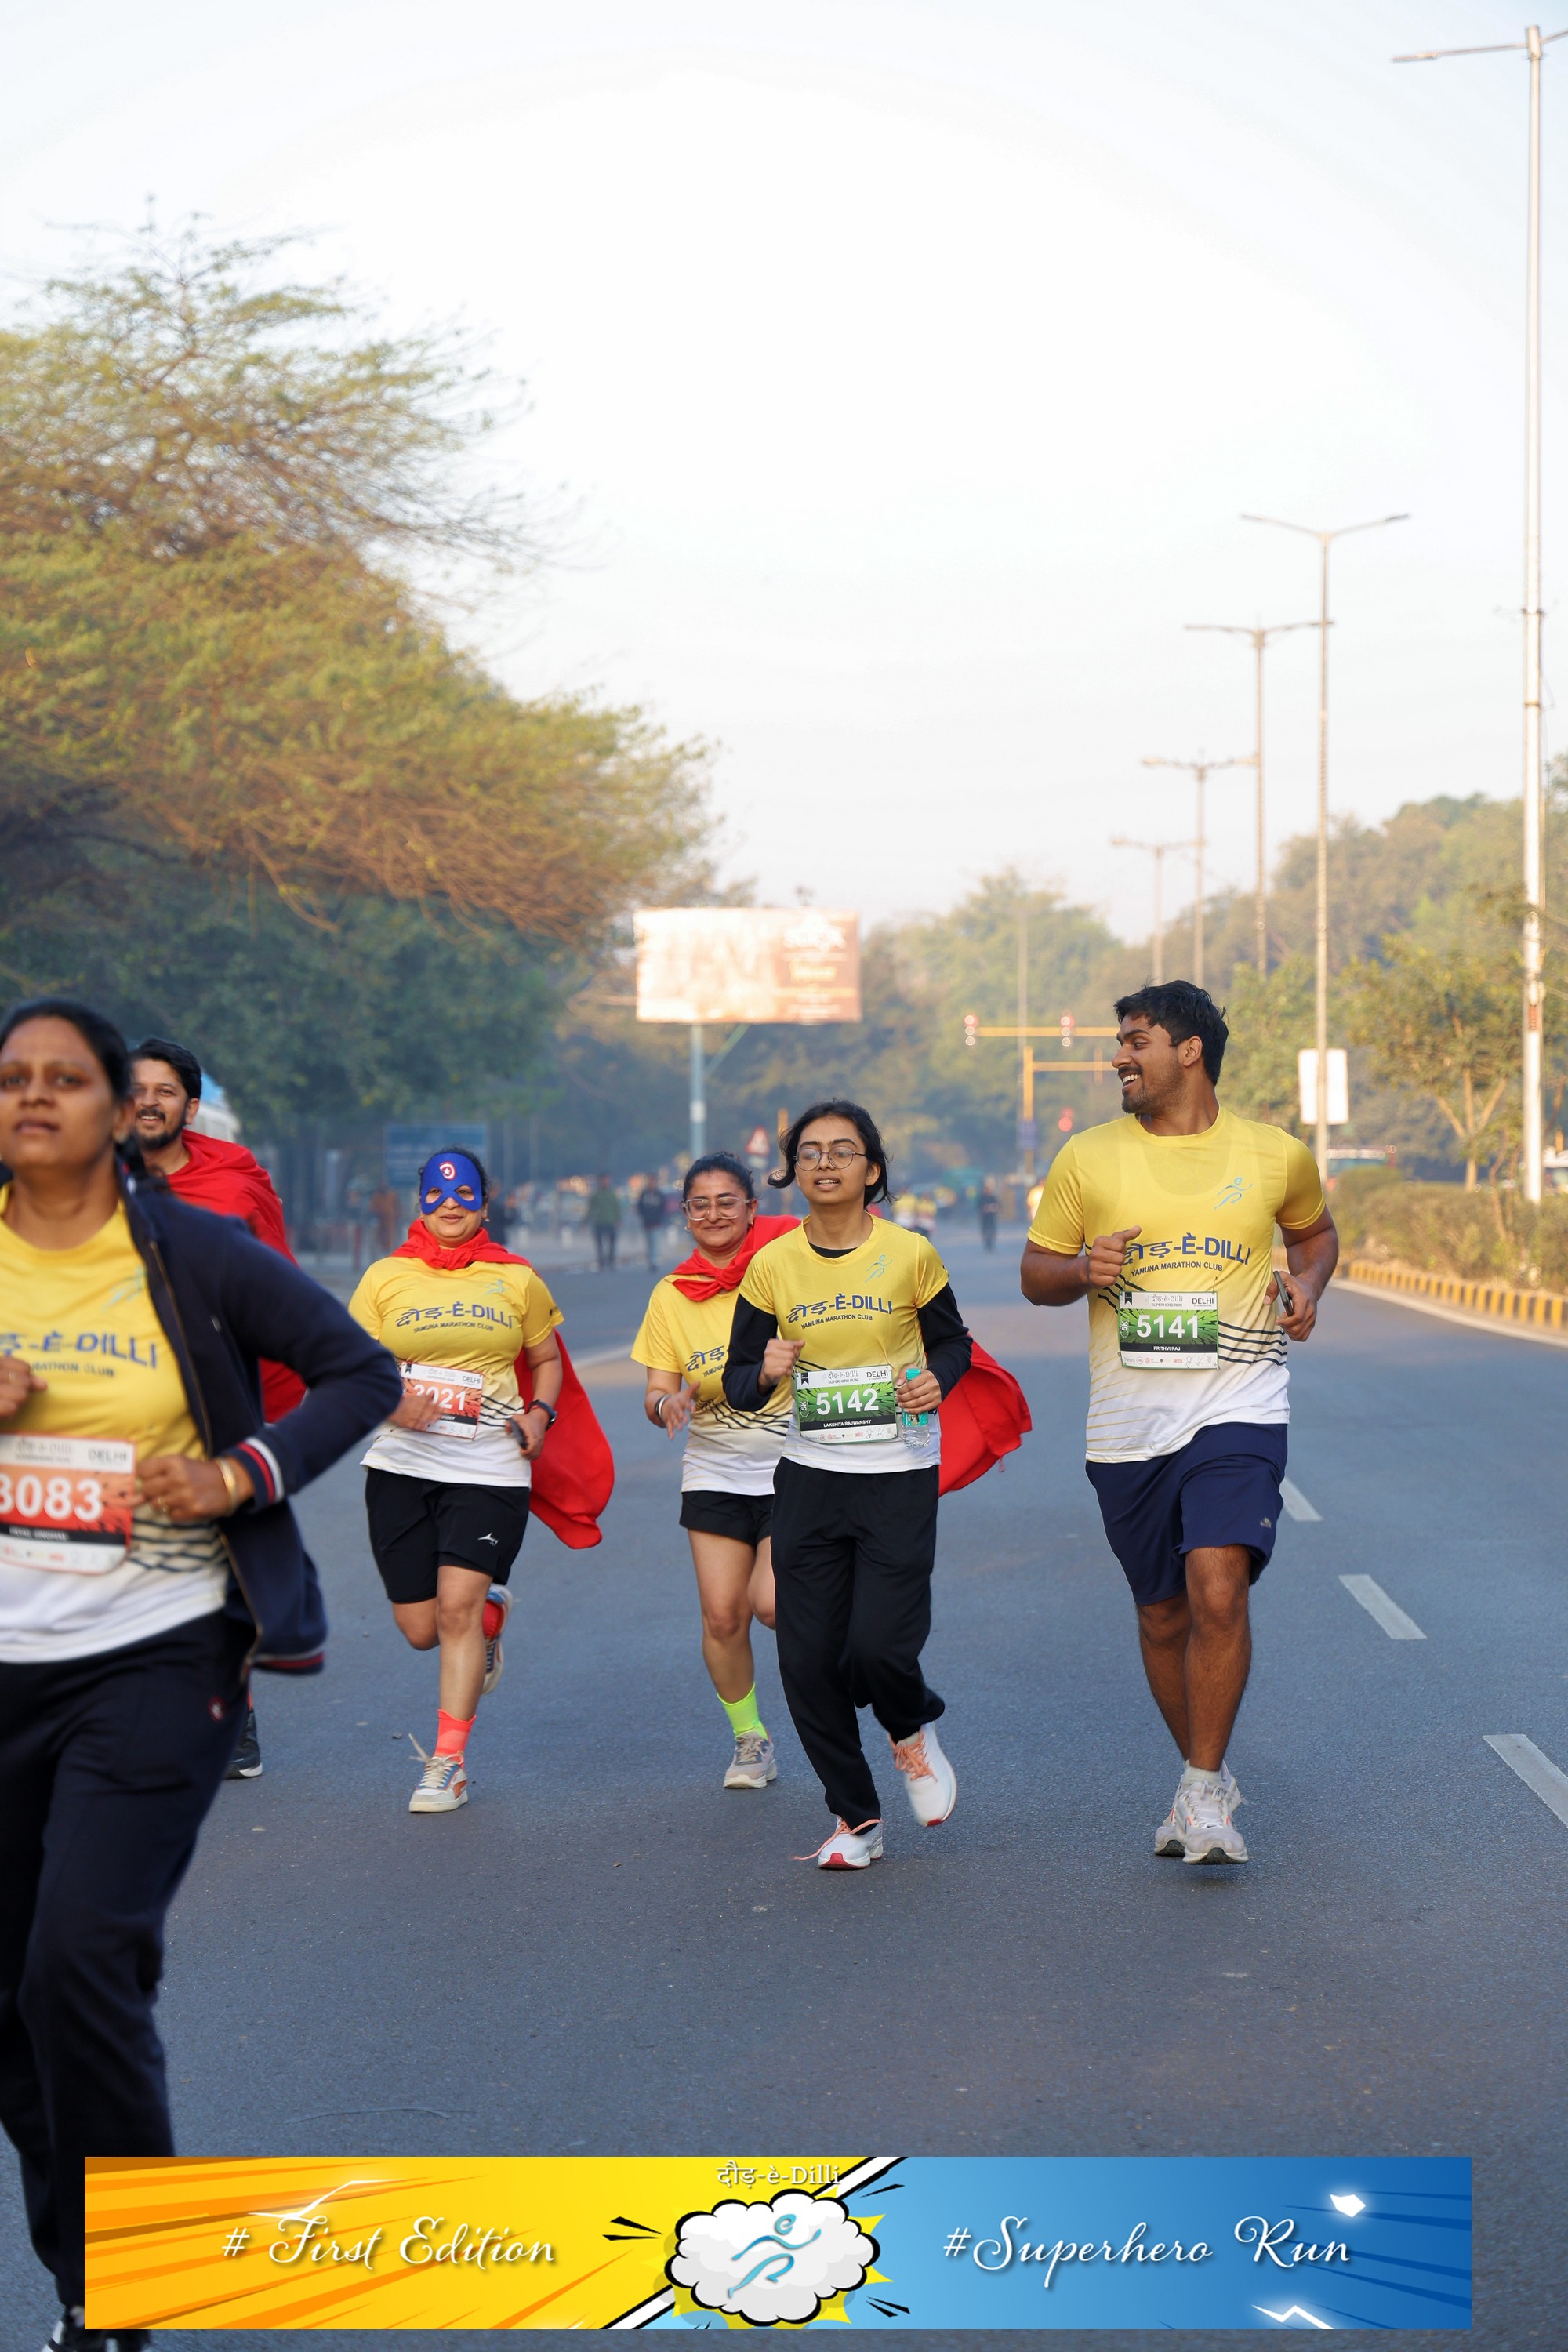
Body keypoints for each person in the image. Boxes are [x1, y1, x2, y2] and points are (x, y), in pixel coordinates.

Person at [0, 996, 400, 2352]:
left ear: (122, 1109)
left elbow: (358, 1372)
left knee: (79, 1962)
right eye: (12, 1077)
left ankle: (133, 2291)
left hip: (154, 1648)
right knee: (12, 2002)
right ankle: (92, 2275)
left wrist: (239, 1474)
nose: (34, 1096)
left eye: (65, 1078)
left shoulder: (194, 1250)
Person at [1020, 982, 1338, 1866]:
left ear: (1188, 1050)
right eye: (1120, 1043)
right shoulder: (1087, 1158)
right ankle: (1205, 1774)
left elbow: (1314, 1235)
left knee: (1217, 1585)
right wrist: (1080, 1270)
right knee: (1162, 1615)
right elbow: (1036, 1273)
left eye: (1135, 1041)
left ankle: (1200, 1792)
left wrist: (1306, 1286)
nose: (1117, 1057)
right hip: (1127, 1422)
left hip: (1239, 1402)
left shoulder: (1274, 1154)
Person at [722, 1100, 973, 1870]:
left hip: (897, 1474)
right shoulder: (771, 1265)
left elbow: (952, 1344)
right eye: (808, 1152)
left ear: (872, 1170)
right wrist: (764, 1371)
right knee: (805, 1658)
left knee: (877, 1647)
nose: (823, 1163)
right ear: (791, 1170)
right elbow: (738, 1382)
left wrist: (936, 1379)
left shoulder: (910, 1254)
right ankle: (854, 1817)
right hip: (810, 1478)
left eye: (841, 1150)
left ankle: (910, 1729)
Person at [348, 1152, 566, 1814]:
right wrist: (391, 1402)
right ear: (420, 1201)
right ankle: (491, 1615)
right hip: (401, 1465)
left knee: (455, 1612)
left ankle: (448, 1763)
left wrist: (540, 1413)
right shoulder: (385, 1277)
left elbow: (546, 1358)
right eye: (439, 1193)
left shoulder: (516, 1278)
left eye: (465, 1193)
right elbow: (349, 1365)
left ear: (485, 1204)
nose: (451, 1203)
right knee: (421, 1628)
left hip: (489, 1465)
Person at [129, 1036, 305, 1780]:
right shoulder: (79, 1183)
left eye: (164, 1091)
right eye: (134, 1089)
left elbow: (278, 1288)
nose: (148, 1103)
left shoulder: (233, 1184)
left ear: (191, 1107)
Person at [633, 1154, 795, 1791]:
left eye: (727, 1202)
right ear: (684, 1216)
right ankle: (751, 1739)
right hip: (714, 1471)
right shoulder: (670, 1295)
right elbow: (656, 1392)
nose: (714, 1214)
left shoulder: (785, 1273)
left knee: (772, 1605)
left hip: (792, 1466)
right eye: (700, 1205)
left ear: (752, 1210)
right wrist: (666, 1406)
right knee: (724, 1618)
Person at [588, 1174, 621, 1271]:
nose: (605, 1182)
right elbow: (590, 1209)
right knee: (599, 1244)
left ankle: (611, 1261)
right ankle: (601, 1262)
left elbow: (617, 1208)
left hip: (611, 1222)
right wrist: (585, 1221)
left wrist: (618, 1220)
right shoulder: (596, 1195)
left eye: (606, 1180)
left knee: (612, 1243)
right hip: (599, 1222)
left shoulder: (612, 1194)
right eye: (603, 1180)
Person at [636, 1176, 667, 1271]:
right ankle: (651, 1260)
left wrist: (661, 1218)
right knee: (649, 1242)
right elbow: (639, 1207)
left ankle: (653, 1261)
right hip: (646, 1222)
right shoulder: (644, 1194)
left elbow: (663, 1207)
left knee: (655, 1241)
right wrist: (643, 1216)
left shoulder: (659, 1194)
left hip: (656, 1222)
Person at [978, 1179, 1000, 1253]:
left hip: (992, 1217)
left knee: (992, 1231)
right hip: (984, 1218)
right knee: (985, 1232)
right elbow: (978, 1207)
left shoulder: (993, 1197)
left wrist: (994, 1208)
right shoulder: (982, 1198)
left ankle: (991, 1243)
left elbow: (999, 1206)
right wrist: (984, 1208)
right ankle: (987, 1244)